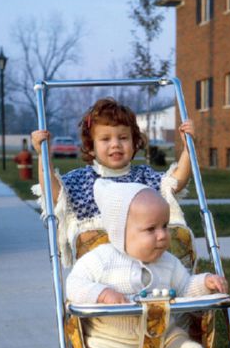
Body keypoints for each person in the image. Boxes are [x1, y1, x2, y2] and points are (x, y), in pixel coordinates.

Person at [66, 179, 228, 348]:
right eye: (151, 229)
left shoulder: (169, 263)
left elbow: (185, 287)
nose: (163, 235)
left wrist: (205, 282)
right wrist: (101, 293)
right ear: (120, 232)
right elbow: (74, 284)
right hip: (111, 341)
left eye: (164, 226)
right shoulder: (100, 260)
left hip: (161, 335)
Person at [31, 98, 195, 266]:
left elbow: (175, 183)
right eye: (105, 139)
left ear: (134, 142)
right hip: (103, 266)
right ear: (90, 147)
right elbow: (54, 193)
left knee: (176, 235)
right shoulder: (81, 180)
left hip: (147, 258)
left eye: (123, 138)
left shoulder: (144, 177)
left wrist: (188, 148)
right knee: (97, 240)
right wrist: (42, 155)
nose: (115, 144)